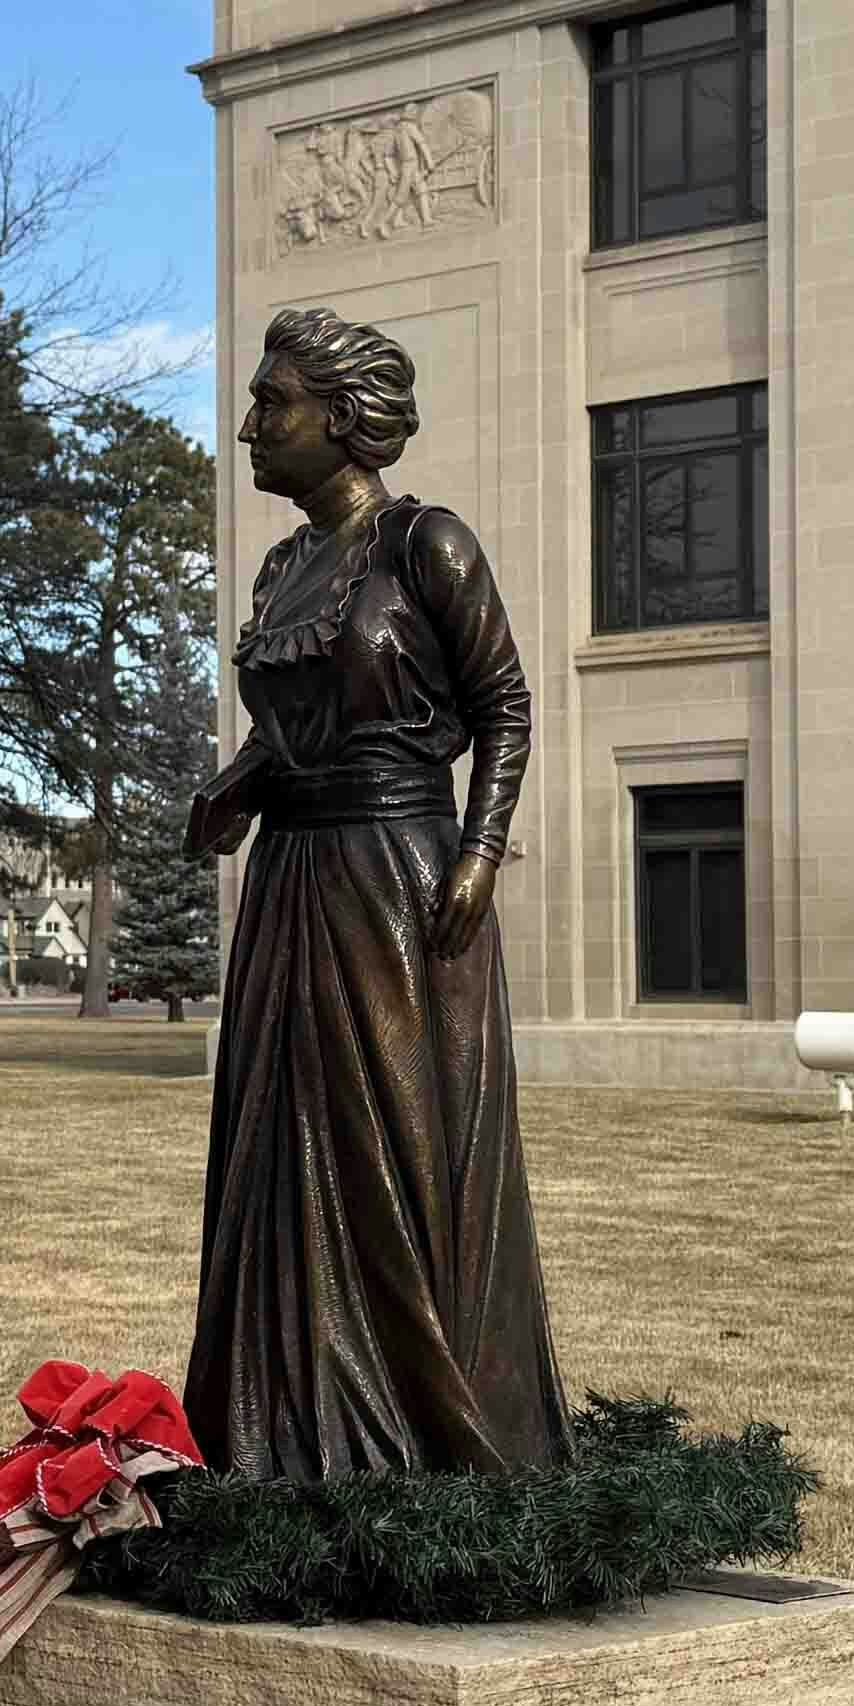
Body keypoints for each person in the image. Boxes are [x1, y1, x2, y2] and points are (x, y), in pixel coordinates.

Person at [180, 307, 570, 1481]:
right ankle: (290, 1426)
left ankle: (428, 1425)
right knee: (281, 1146)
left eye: (273, 405)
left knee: (392, 1143)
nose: (251, 427)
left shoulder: (423, 545)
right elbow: (289, 727)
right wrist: (234, 788)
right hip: (290, 881)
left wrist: (479, 853)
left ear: (344, 421)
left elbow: (503, 706)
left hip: (400, 876)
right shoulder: (284, 565)